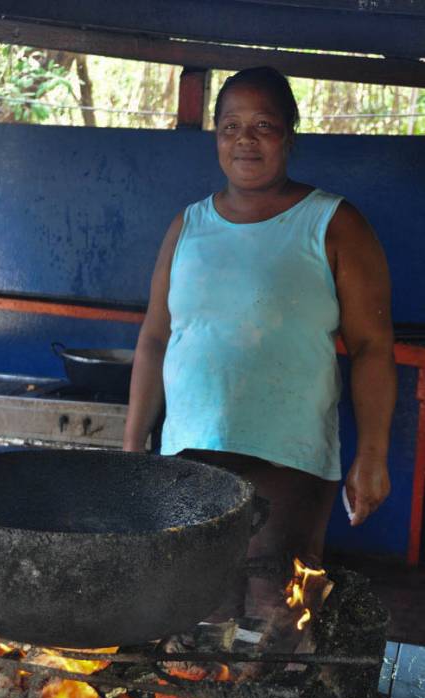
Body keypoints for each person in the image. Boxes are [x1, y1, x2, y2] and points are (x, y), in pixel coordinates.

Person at [123, 67, 396, 616]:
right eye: (230, 126)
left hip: (288, 458)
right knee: (194, 606)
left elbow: (372, 348)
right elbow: (156, 337)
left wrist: (372, 455)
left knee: (278, 604)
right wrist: (132, 448)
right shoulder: (188, 226)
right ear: (217, 137)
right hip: (190, 452)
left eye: (263, 124)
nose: (245, 139)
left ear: (290, 135)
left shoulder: (333, 223)